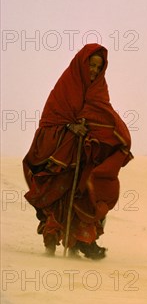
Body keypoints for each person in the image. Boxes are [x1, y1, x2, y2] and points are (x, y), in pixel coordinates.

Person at [23, 43, 133, 259]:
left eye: (98, 67)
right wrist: (71, 127)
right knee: (57, 196)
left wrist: (102, 135)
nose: (94, 70)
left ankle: (82, 242)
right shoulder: (65, 87)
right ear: (82, 64)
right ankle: (52, 242)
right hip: (62, 155)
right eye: (91, 65)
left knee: (85, 194)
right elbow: (49, 121)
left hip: (84, 156)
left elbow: (105, 117)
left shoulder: (99, 89)